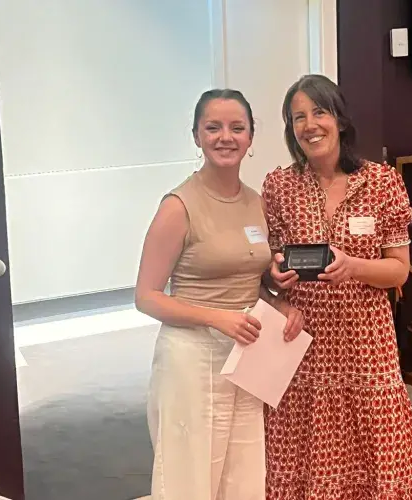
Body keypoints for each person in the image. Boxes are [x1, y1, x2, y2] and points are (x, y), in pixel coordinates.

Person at [261, 74, 412, 499]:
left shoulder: (381, 183)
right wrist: (274, 278)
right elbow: (267, 267)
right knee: (301, 455)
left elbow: (399, 272)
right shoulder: (279, 187)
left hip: (366, 344)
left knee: (373, 455)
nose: (309, 125)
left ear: (339, 118)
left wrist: (352, 265)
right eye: (298, 117)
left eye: (319, 112)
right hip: (301, 345)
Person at [136, 88, 304, 500]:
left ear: (250, 137)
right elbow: (146, 296)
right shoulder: (179, 205)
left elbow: (252, 280)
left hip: (247, 355)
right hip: (192, 358)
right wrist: (217, 317)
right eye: (213, 128)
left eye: (236, 128)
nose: (225, 137)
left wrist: (280, 304)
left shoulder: (255, 203)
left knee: (244, 476)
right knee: (188, 479)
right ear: (196, 136)